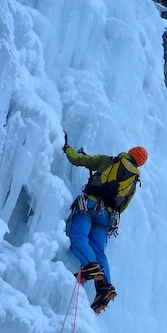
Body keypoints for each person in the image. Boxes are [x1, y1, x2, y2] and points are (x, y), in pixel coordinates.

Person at [63, 134, 148, 313]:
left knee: (78, 238)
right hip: (107, 217)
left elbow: (79, 160)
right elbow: (122, 206)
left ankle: (90, 266)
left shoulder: (110, 161)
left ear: (129, 152)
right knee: (99, 250)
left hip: (89, 205)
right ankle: (104, 287)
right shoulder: (133, 181)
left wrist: (66, 148)